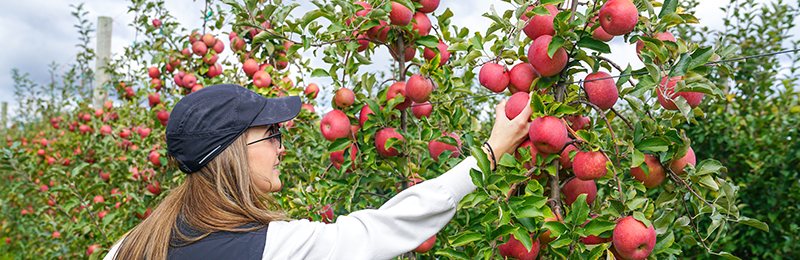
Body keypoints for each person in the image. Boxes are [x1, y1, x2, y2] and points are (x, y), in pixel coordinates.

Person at [103, 84, 532, 260]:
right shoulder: (269, 248)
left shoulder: (128, 247)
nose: (281, 146)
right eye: (271, 133)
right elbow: (386, 228)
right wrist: (489, 153)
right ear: (232, 150)